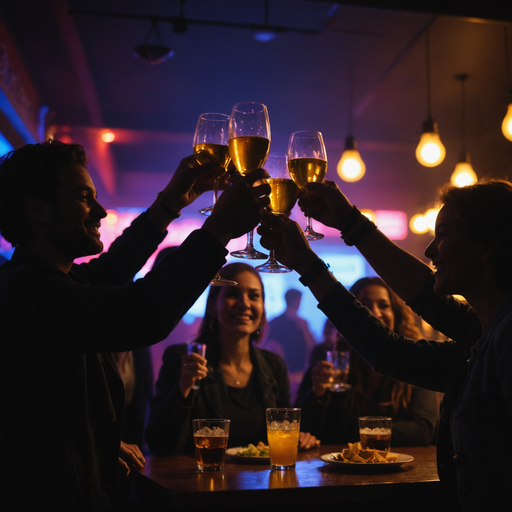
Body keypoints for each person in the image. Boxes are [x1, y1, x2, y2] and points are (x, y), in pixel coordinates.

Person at [0, 139, 270, 511]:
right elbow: (141, 312)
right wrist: (219, 228)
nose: (100, 211)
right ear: (37, 209)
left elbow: (111, 270)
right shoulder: (28, 290)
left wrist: (170, 203)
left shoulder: (41, 280)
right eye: (83, 197)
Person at [257, 177, 512, 511]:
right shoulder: (483, 333)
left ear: (487, 245)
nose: (430, 250)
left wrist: (332, 243)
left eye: (445, 234)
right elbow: (392, 348)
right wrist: (330, 241)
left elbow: (395, 343)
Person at [145, 262, 319, 456]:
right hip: (200, 482)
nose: (244, 304)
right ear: (212, 305)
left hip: (260, 484)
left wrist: (302, 436)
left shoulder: (273, 366)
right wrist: (184, 386)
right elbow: (159, 444)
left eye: (254, 296)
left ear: (262, 307)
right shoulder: (183, 360)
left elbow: (283, 433)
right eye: (232, 294)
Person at [296, 277, 439, 446]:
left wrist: (355, 433)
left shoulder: (414, 360)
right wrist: (317, 394)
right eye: (363, 305)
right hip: (340, 469)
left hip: (401, 467)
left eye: (383, 305)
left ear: (397, 315)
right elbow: (304, 430)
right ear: (351, 313)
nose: (374, 313)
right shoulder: (331, 361)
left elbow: (423, 430)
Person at [264, 288, 315, 374]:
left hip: (296, 370)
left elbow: (311, 346)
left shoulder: (275, 321)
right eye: (299, 300)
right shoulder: (276, 322)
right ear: (296, 301)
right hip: (281, 370)